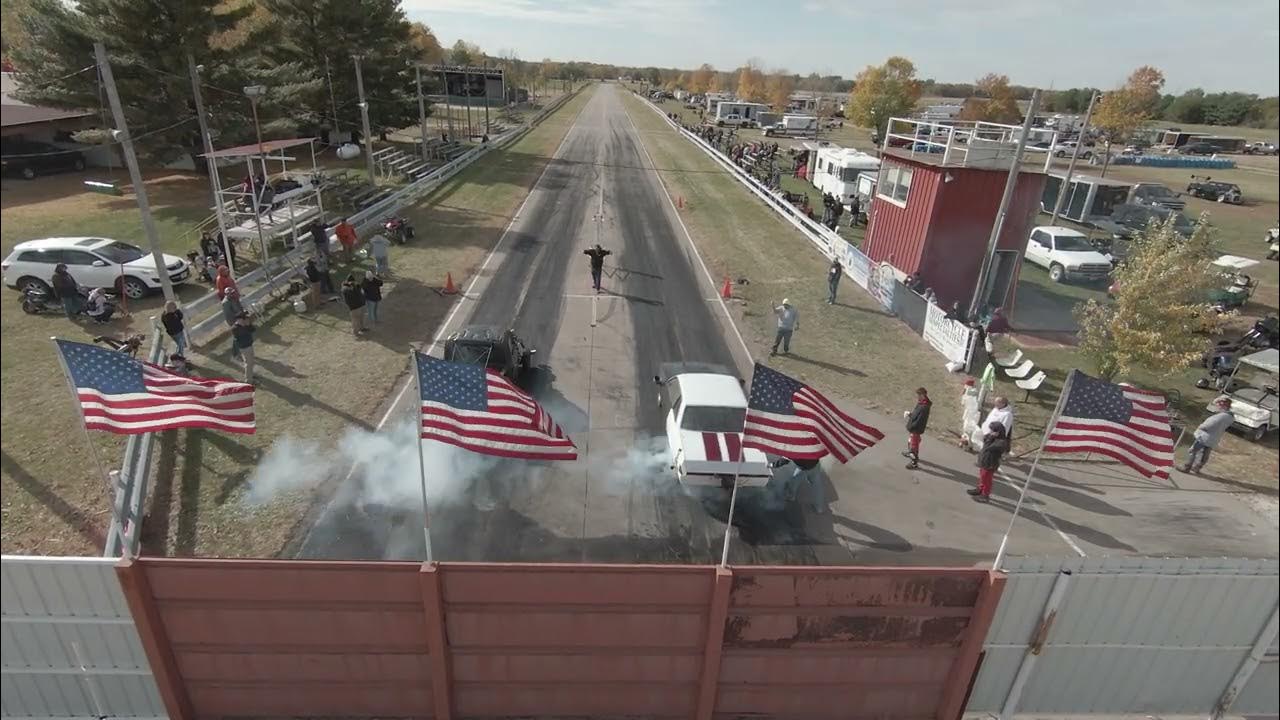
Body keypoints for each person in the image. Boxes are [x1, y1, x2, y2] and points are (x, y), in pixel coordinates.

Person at [1181, 398, 1235, 474]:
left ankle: (1187, 467)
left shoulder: (1221, 416)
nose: (1217, 407)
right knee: (1205, 454)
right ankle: (1197, 467)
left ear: (1223, 405)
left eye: (1218, 405)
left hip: (1205, 436)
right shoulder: (1230, 417)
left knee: (1193, 451)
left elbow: (1210, 425)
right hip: (1214, 437)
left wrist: (1201, 427)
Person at [969, 421, 1009, 502]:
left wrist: (991, 438)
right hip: (984, 461)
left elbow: (989, 447)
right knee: (982, 477)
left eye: (992, 430)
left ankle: (985, 495)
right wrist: (990, 437)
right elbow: (985, 439)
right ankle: (980, 489)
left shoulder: (1001, 442)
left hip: (990, 463)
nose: (990, 432)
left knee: (987, 479)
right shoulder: (990, 437)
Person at [902, 387, 931, 469]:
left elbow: (919, 420)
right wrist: (910, 414)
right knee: (911, 441)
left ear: (922, 395)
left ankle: (914, 463)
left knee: (913, 445)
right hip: (915, 428)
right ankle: (910, 452)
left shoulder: (924, 407)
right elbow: (916, 415)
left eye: (918, 395)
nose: (917, 397)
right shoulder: (922, 403)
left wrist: (911, 427)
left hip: (916, 429)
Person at [230, 312, 256, 383]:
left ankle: (250, 375)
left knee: (251, 362)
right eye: (244, 318)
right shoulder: (235, 328)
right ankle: (249, 380)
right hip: (244, 348)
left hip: (249, 345)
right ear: (239, 319)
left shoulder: (245, 325)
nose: (246, 320)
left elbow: (253, 330)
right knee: (248, 363)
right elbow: (241, 335)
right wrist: (245, 326)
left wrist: (249, 325)